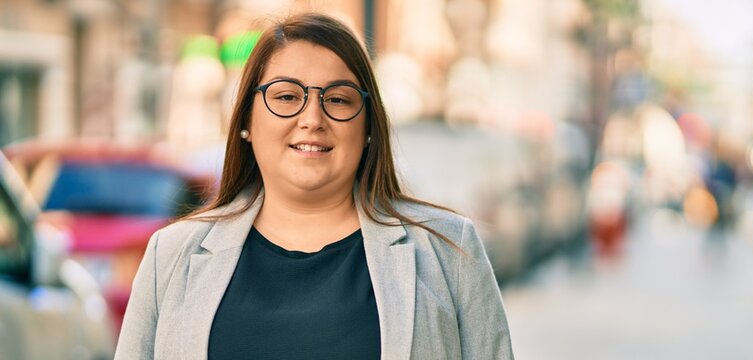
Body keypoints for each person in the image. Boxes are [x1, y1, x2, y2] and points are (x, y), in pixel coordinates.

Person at [114, 13, 513, 360]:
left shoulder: (448, 251)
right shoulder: (171, 257)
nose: (312, 118)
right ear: (245, 122)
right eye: (286, 96)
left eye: (338, 100)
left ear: (369, 126)